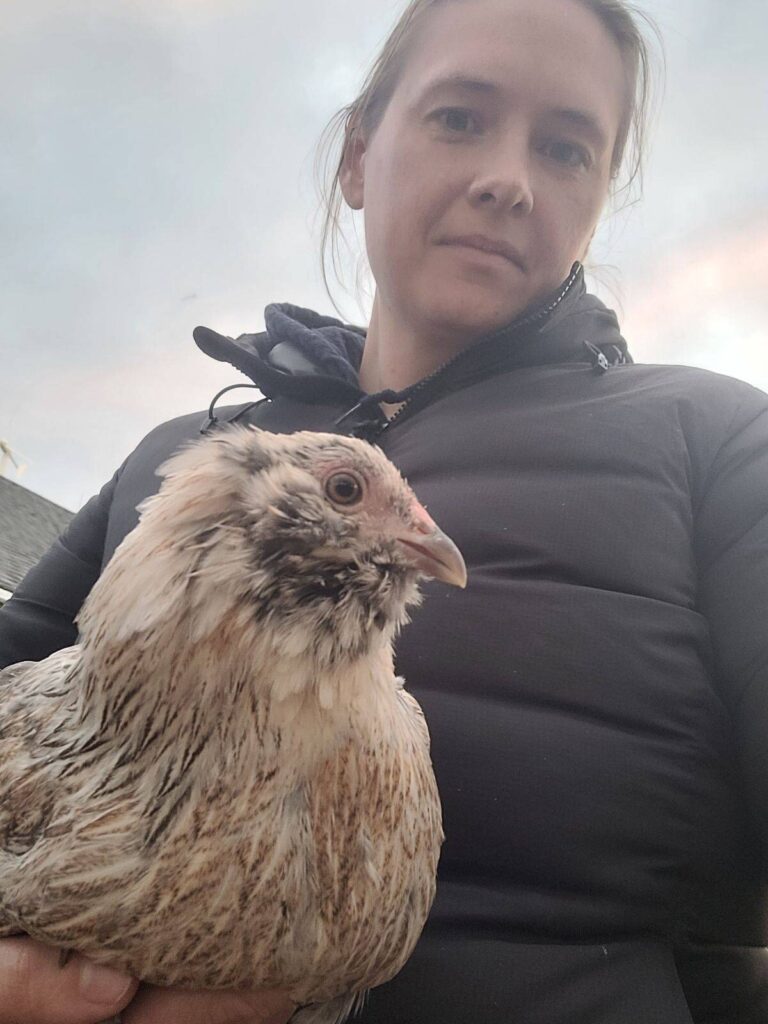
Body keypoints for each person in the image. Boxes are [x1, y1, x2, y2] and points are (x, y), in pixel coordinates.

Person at [2, 0, 767, 1021]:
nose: (508, 179)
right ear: (359, 156)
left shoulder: (719, 438)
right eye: (460, 117)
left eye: (565, 148)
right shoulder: (187, 456)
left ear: (598, 200)